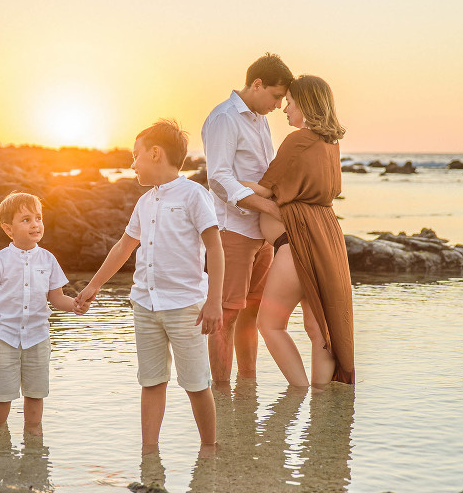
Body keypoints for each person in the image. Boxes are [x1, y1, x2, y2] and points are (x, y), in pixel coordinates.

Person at [75, 120, 225, 449]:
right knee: (151, 381)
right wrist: (93, 286)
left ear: (155, 153)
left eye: (136, 155)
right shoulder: (144, 202)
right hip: (145, 305)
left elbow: (214, 247)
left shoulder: (194, 196)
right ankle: (149, 453)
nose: (132, 163)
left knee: (196, 383)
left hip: (186, 307)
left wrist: (214, 301)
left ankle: (209, 452)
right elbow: (124, 247)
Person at [241, 75, 355, 385]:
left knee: (270, 324)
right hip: (326, 239)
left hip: (296, 244)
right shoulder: (330, 143)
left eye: (290, 102)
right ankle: (322, 404)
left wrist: (226, 179)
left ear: (305, 104)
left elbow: (264, 191)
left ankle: (298, 391)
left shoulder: (299, 139)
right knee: (319, 329)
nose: (285, 108)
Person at [202, 53, 294, 383]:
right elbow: (218, 177)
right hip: (232, 231)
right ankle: (222, 398)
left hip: (261, 235)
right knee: (225, 316)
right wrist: (268, 207)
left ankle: (248, 389)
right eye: (275, 96)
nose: (278, 105)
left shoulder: (260, 119)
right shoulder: (224, 118)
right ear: (257, 84)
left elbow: (263, 172)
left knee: (252, 313)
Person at [0, 191, 89, 435]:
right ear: (8, 229)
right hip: (4, 338)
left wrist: (75, 305)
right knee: (1, 394)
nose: (35, 224)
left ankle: (34, 446)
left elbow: (57, 298)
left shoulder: (48, 260)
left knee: (36, 393)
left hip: (38, 338)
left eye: (38, 218)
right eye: (26, 219)